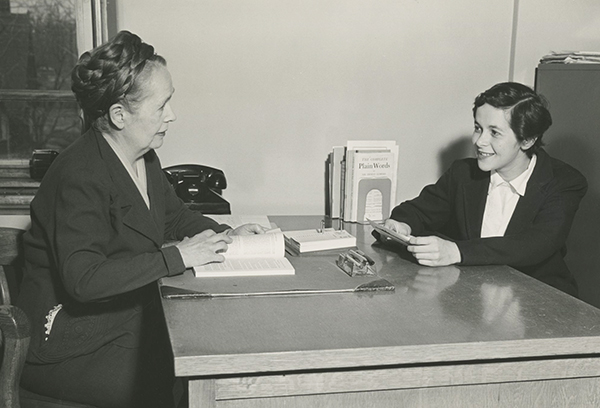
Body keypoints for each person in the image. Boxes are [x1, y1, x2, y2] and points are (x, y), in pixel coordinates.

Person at [16, 30, 264, 408]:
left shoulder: (144, 156)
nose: (172, 115)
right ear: (119, 115)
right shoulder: (78, 174)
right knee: (180, 374)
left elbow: (175, 217)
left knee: (199, 344)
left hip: (116, 315)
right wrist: (177, 257)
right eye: (162, 105)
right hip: (66, 339)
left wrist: (227, 235)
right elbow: (83, 279)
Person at [378, 82, 587, 296]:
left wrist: (456, 251)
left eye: (494, 133)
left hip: (541, 301)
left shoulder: (564, 182)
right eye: (478, 128)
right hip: (473, 297)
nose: (479, 141)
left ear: (527, 140)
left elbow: (536, 244)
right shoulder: (463, 173)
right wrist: (401, 225)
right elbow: (419, 211)